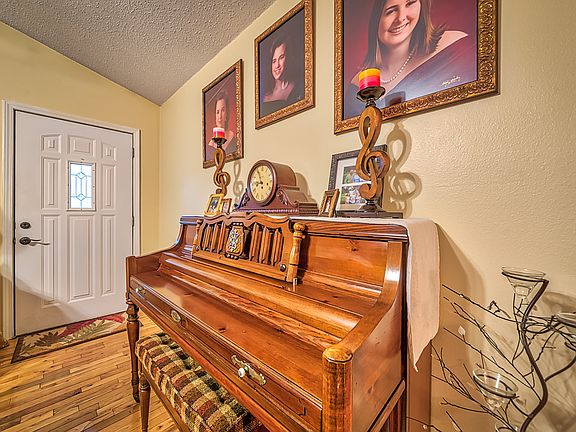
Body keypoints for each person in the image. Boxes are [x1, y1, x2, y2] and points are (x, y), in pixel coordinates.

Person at [345, 0, 476, 118]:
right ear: (375, 21)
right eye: (391, 11)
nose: (401, 18)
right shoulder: (357, 86)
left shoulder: (456, 47)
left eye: (410, 3)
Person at [260, 34, 304, 117]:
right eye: (274, 61)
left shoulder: (300, 87)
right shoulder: (265, 95)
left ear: (289, 58)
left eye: (281, 57)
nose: (277, 65)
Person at [207, 90, 236, 160]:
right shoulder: (210, 146)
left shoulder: (232, 138)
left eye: (222, 110)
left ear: (227, 113)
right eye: (217, 112)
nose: (219, 116)